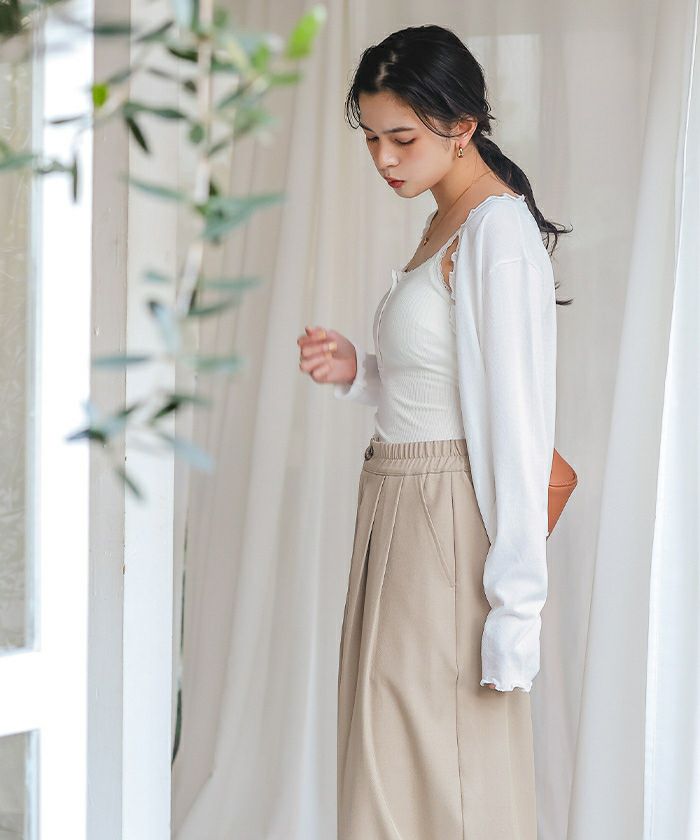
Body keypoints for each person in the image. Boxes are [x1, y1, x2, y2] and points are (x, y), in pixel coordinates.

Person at [297, 24, 571, 840]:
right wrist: (359, 372)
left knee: (443, 779)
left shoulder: (497, 233)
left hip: (443, 517)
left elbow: (517, 431)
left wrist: (516, 612)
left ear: (463, 125)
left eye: (402, 138)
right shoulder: (443, 220)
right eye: (372, 138)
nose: (384, 159)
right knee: (387, 766)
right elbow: (440, 389)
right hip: (395, 506)